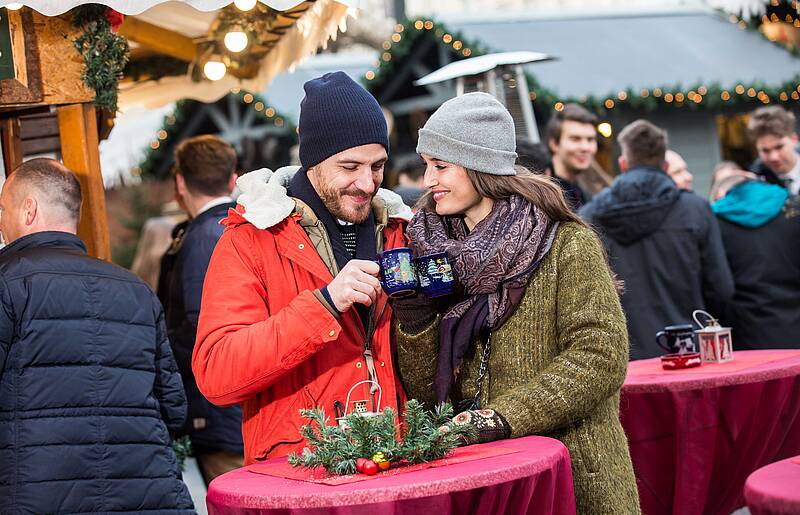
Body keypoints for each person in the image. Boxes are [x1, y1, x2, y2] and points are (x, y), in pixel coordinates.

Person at [394, 93, 640, 514]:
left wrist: (503, 417)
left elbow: (600, 356)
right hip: (487, 483)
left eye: (441, 166)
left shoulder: (566, 243)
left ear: (481, 166)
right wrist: (415, 323)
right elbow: (427, 394)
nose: (427, 180)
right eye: (426, 166)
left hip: (574, 472)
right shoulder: (432, 251)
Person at [193, 72, 413, 464]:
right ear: (312, 161)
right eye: (350, 166)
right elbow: (217, 373)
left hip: (392, 465)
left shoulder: (401, 231)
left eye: (378, 165)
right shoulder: (251, 238)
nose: (367, 183)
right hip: (299, 478)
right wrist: (324, 305)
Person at [0, 159, 193, 513]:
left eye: (2, 209)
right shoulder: (135, 289)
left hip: (34, 496)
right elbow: (174, 407)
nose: (1, 223)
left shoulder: (6, 285)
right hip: (147, 491)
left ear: (29, 210)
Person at [580, 120, 734, 359]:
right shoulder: (695, 209)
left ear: (623, 164)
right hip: (688, 350)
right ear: (664, 165)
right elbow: (721, 289)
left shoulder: (589, 216)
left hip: (623, 357)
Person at [157, 135, 243, 485]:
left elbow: (198, 327)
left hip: (219, 407)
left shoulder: (201, 236)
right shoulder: (246, 226)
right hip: (246, 402)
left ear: (180, 183)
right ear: (233, 179)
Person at [710, 174, 800, 349]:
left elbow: (717, 283)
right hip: (795, 322)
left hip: (746, 331)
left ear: (722, 193)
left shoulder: (716, 219)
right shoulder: (792, 208)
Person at [545, 103, 613, 208]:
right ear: (554, 144)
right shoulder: (543, 195)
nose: (585, 147)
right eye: (575, 139)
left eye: (590, 139)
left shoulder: (592, 190)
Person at [748, 106, 800, 194]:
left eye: (779, 147)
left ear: (794, 140)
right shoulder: (754, 181)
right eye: (765, 150)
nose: (774, 157)